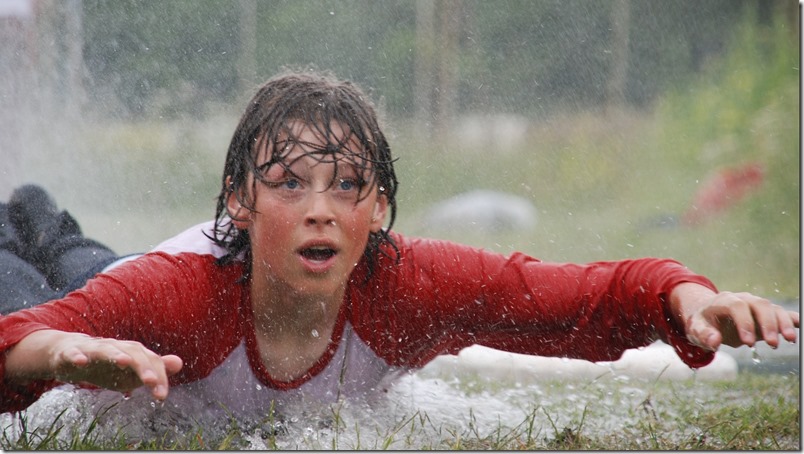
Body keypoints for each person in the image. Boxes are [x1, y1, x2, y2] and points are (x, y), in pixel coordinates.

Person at [0, 70, 798, 422]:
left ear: (378, 209)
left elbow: (594, 295)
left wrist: (691, 304)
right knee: (39, 279)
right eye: (288, 184)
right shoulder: (179, 298)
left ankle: (38, 215)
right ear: (239, 203)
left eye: (346, 186)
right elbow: (15, 344)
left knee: (75, 253)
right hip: (118, 299)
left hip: (121, 282)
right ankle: (25, 219)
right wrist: (62, 354)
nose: (320, 211)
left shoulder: (409, 285)